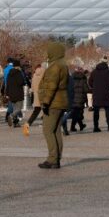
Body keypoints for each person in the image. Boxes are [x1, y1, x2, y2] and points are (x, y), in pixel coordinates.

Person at [37, 41, 69, 169]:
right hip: (60, 102)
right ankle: (56, 158)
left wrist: (45, 102)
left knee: (48, 130)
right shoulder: (63, 64)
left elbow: (51, 86)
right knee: (56, 131)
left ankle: (52, 159)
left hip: (53, 103)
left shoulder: (55, 66)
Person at [88, 57, 109, 132]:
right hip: (106, 93)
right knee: (108, 110)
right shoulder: (108, 72)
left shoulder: (94, 72)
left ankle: (96, 127)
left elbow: (90, 82)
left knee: (96, 111)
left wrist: (94, 87)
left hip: (96, 93)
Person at [4, 59, 27, 128]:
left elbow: (7, 84)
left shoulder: (9, 74)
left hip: (11, 93)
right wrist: (24, 82)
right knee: (18, 108)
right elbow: (21, 82)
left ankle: (16, 123)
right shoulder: (18, 72)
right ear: (18, 66)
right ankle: (11, 116)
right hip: (18, 93)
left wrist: (7, 94)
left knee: (15, 108)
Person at [68, 65, 88, 132]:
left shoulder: (71, 78)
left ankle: (80, 125)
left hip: (73, 98)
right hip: (81, 98)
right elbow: (86, 89)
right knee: (78, 113)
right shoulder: (83, 78)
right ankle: (73, 127)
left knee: (76, 113)